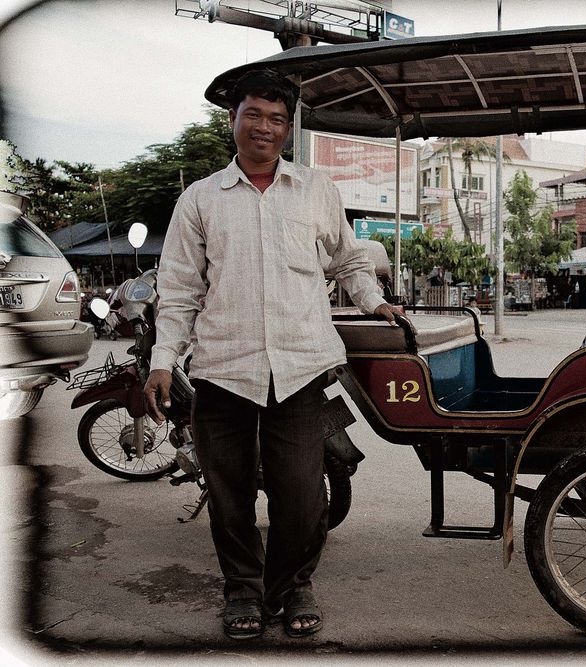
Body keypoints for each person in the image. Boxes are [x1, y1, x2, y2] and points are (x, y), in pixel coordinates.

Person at [143, 69, 401, 641]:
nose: (265, 127)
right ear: (233, 120)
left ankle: (291, 586)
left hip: (300, 366)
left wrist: (373, 302)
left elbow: (349, 259)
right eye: (253, 115)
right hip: (223, 368)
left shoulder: (315, 190)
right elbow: (180, 288)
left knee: (301, 495)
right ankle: (241, 590)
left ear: (289, 127)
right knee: (229, 493)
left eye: (277, 119)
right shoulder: (200, 199)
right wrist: (164, 359)